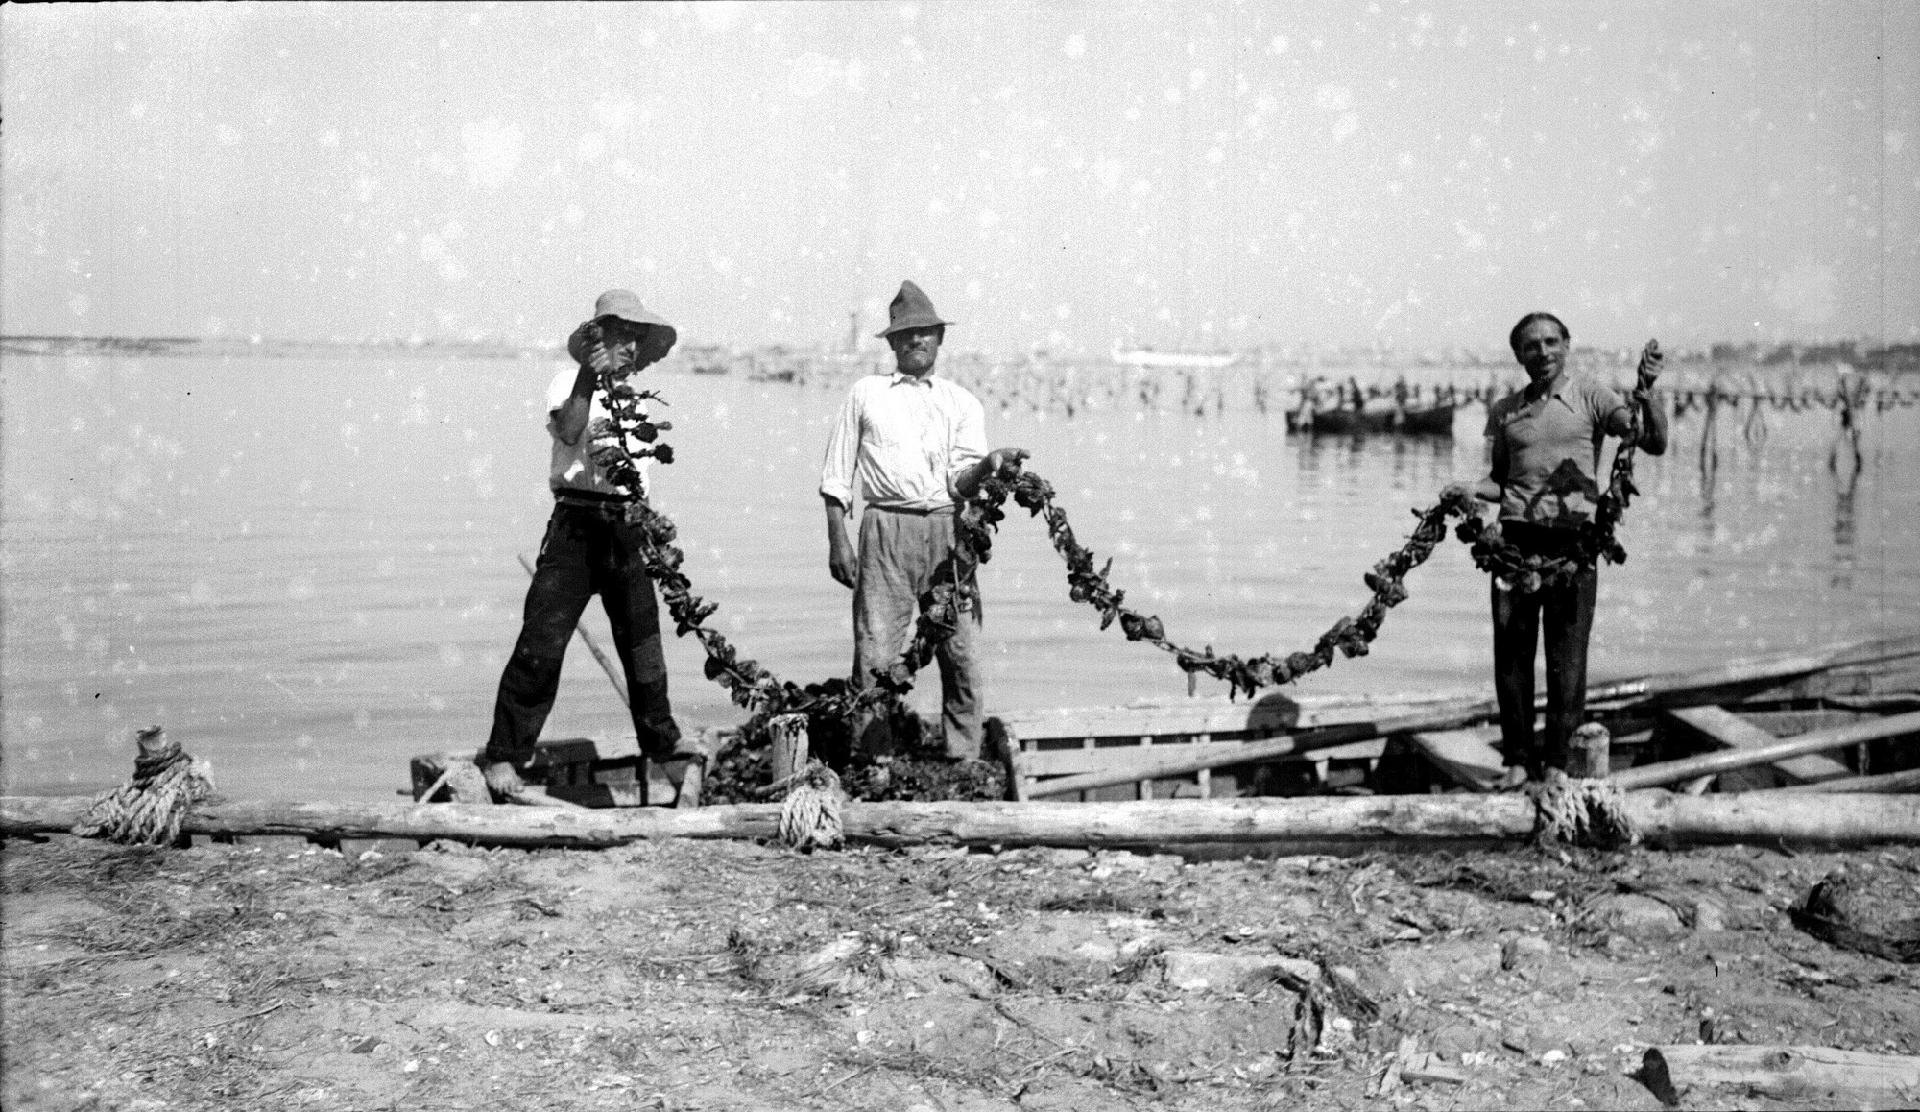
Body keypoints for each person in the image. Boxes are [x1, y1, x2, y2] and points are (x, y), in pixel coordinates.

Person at [480, 289, 688, 798]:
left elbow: (642, 478)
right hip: (574, 525)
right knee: (541, 645)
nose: (633, 349)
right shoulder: (567, 385)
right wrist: (588, 378)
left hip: (626, 528)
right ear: (599, 339)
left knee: (644, 648)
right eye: (624, 338)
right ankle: (503, 757)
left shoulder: (639, 403)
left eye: (639, 340)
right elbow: (570, 430)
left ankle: (662, 747)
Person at [1447, 312, 1669, 784]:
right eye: (1531, 346)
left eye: (1551, 342)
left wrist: (1649, 390)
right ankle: (1516, 762)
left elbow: (1652, 442)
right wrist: (1466, 489)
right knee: (1511, 657)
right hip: (1513, 544)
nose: (1542, 352)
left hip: (1573, 545)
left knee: (1567, 660)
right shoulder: (1506, 411)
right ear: (1518, 355)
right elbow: (1500, 480)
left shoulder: (1592, 397)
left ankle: (1556, 765)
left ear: (1567, 345)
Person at [820, 281, 1028, 763]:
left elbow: (962, 481)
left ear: (940, 339)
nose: (916, 341)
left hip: (948, 533)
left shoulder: (962, 403)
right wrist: (838, 539)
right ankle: (876, 760)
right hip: (884, 531)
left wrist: (990, 465)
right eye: (906, 334)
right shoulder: (865, 394)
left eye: (925, 332)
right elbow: (837, 474)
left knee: (963, 656)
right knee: (875, 656)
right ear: (891, 343)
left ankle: (963, 756)